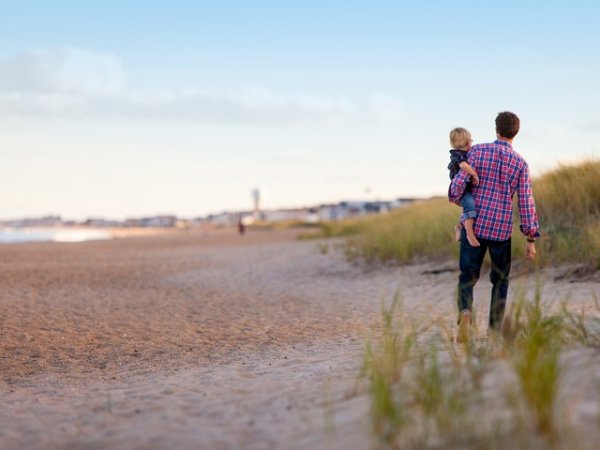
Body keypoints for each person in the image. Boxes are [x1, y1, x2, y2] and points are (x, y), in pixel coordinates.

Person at [449, 111, 540, 343]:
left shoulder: (476, 151)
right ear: (515, 132)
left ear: (496, 129)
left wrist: (458, 195)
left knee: (467, 277)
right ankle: (494, 330)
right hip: (501, 230)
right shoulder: (520, 163)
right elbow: (526, 203)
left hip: (476, 226)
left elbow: (457, 187)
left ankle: (465, 313)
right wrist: (530, 239)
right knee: (500, 280)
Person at [447, 127, 480, 247]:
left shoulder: (468, 153)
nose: (471, 143)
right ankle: (469, 234)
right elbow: (463, 166)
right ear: (464, 142)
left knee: (469, 207)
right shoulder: (457, 154)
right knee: (470, 204)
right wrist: (474, 174)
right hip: (460, 190)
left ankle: (460, 227)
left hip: (467, 187)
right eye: (470, 140)